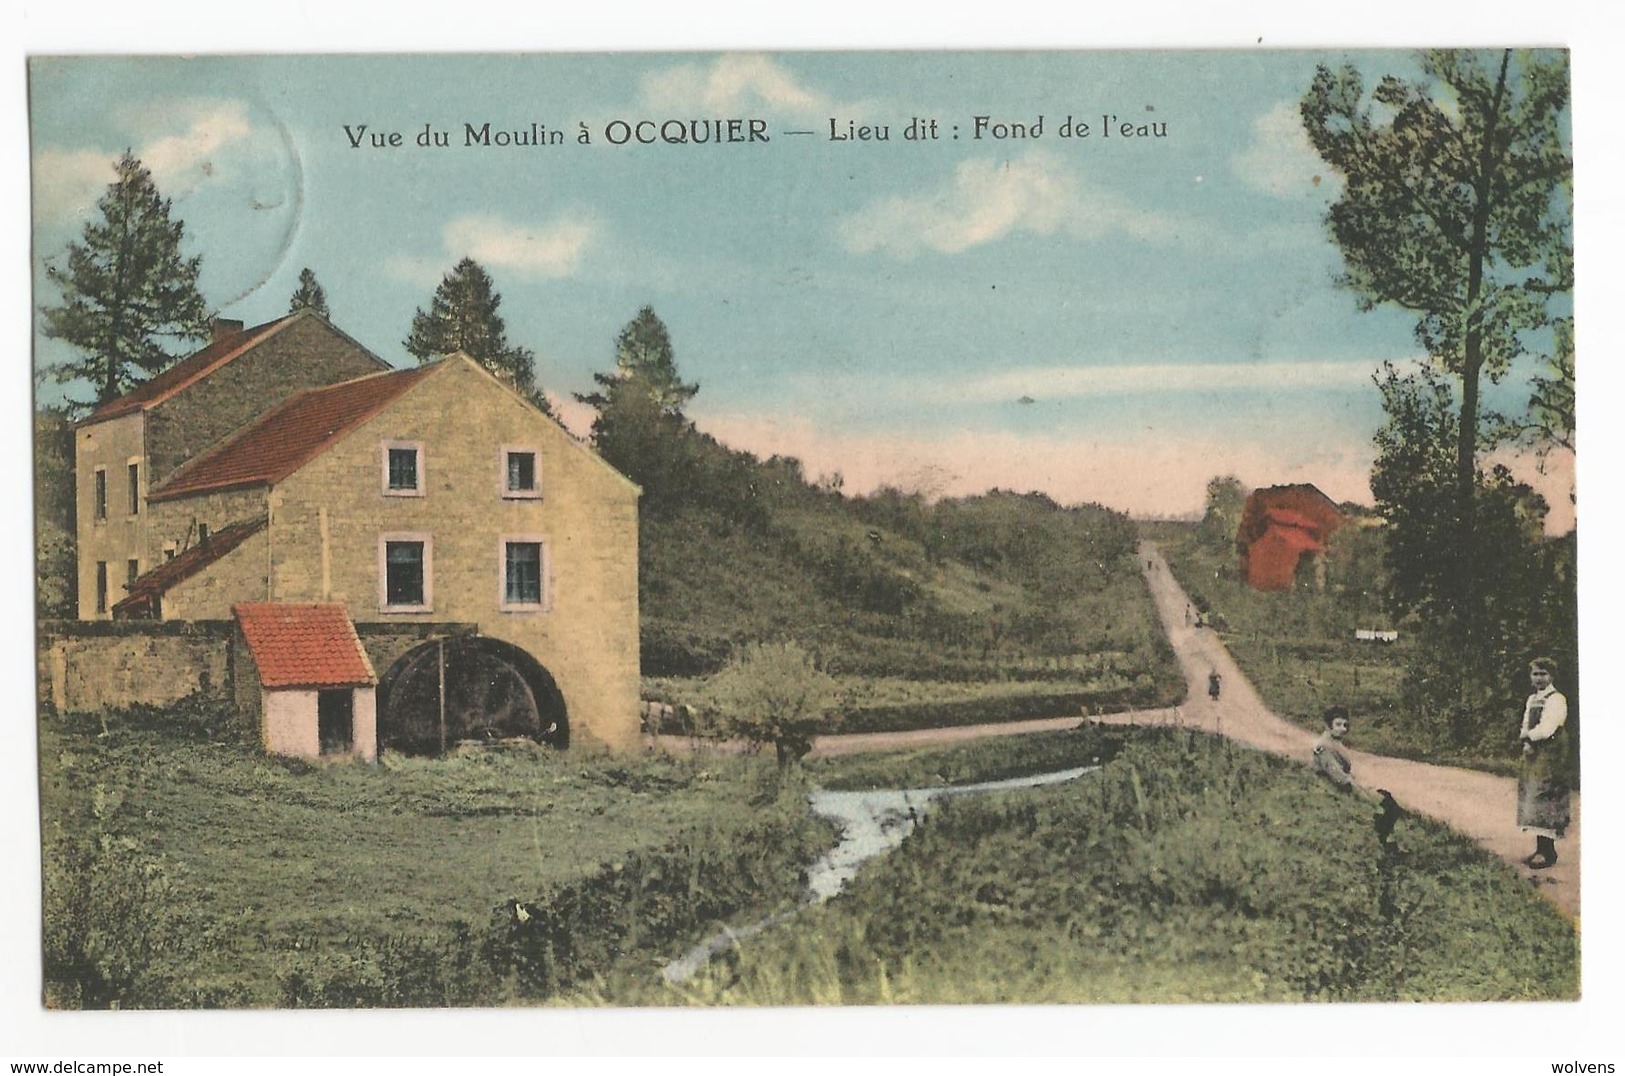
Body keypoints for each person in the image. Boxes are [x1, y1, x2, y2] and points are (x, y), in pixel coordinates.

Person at [1517, 657, 1572, 870]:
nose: (1539, 678)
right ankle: (1541, 848)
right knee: (1533, 794)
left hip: (1551, 751)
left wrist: (1531, 738)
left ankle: (1548, 851)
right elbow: (1525, 722)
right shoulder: (1532, 699)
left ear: (1551, 676)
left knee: (1546, 794)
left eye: (1543, 674)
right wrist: (1525, 738)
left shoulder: (1556, 699)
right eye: (1535, 674)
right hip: (1534, 751)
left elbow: (1549, 726)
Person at [1311, 705, 1356, 792]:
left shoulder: (1336, 743)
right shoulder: (1323, 745)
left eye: (1345, 725)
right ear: (1328, 726)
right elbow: (1336, 774)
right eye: (1338, 724)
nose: (1343, 729)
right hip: (1326, 790)